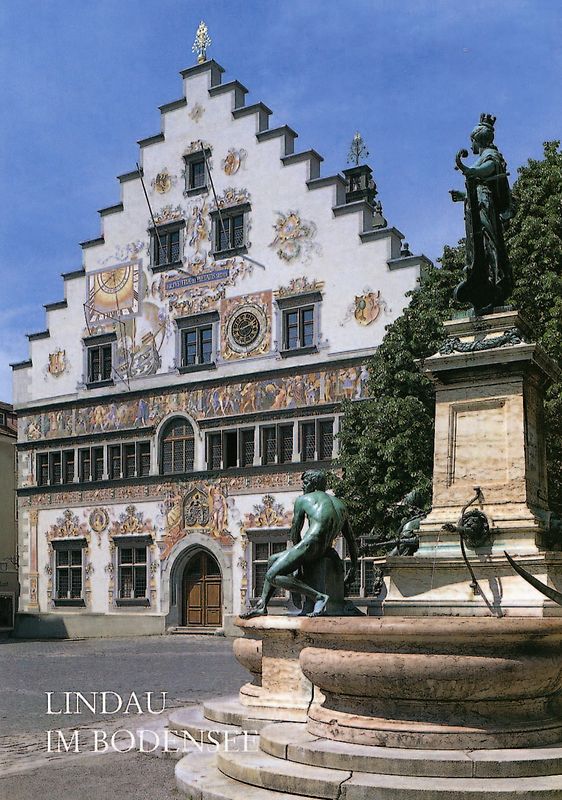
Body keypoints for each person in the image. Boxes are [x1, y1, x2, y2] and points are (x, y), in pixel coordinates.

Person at [241, 470, 358, 618]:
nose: (303, 486)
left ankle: (318, 596)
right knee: (271, 559)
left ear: (314, 484)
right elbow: (351, 540)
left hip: (309, 545)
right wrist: (354, 566)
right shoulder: (341, 505)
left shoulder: (303, 499)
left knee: (272, 575)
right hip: (325, 549)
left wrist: (298, 564)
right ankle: (262, 605)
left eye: (305, 483)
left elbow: (295, 533)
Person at [450, 113, 513, 313]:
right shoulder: (483, 156)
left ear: (478, 140)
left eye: (472, 141)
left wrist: (469, 170)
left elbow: (489, 169)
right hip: (477, 204)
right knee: (476, 242)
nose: (471, 146)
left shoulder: (490, 155)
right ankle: (480, 275)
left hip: (484, 205)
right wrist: (463, 194)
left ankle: (490, 278)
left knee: (487, 240)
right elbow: (479, 181)